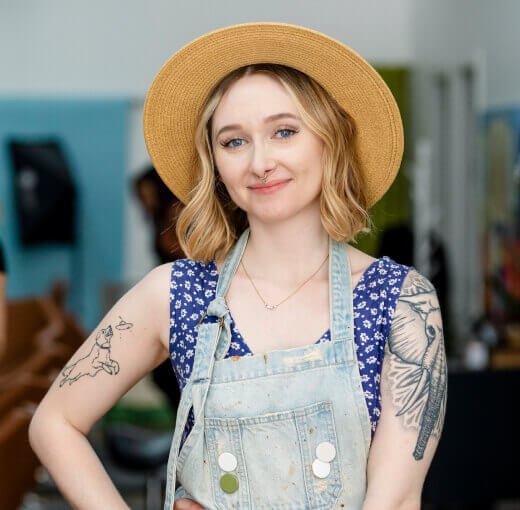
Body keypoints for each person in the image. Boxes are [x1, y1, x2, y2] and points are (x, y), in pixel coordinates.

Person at [29, 22, 448, 510]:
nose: (260, 162)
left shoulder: (401, 301)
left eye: (284, 132)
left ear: (331, 138)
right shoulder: (176, 294)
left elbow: (396, 500)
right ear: (215, 164)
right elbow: (54, 423)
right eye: (233, 142)